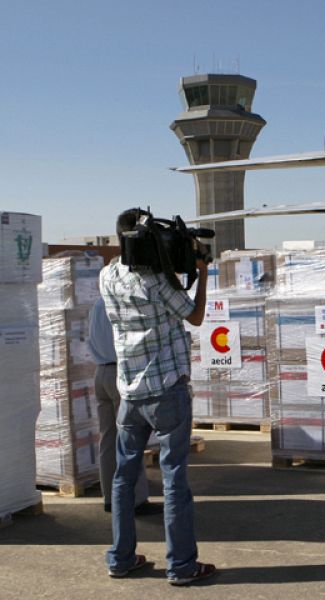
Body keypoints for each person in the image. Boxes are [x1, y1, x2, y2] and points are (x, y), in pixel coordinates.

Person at [100, 209, 217, 584]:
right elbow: (194, 316)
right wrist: (202, 272)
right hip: (166, 390)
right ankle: (181, 565)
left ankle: (121, 558)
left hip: (129, 392)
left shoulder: (107, 275)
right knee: (174, 480)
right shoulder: (156, 281)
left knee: (123, 478)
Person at [88, 295, 161, 516]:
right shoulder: (120, 304)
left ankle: (110, 497)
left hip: (101, 372)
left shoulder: (97, 304)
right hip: (121, 372)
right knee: (131, 437)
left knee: (108, 439)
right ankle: (136, 500)